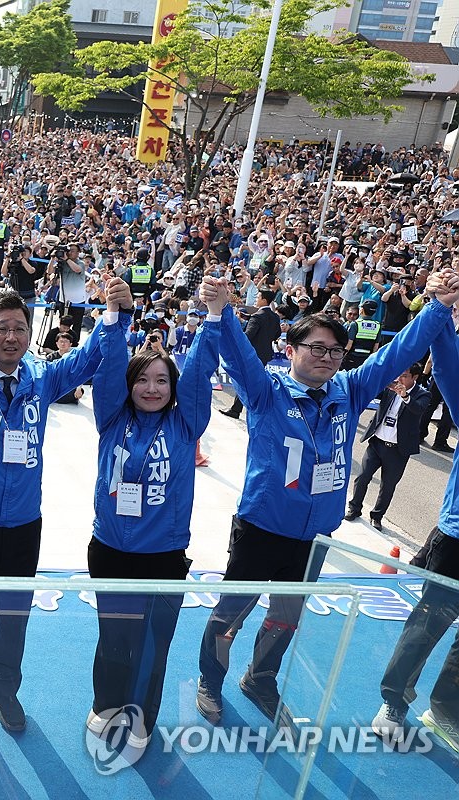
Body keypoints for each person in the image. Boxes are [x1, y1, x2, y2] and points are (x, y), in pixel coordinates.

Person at [195, 271, 459, 727]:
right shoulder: (267, 391)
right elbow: (238, 357)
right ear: (291, 350)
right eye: (315, 348)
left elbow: (398, 353)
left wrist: (436, 306)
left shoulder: (350, 389)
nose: (326, 357)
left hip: (314, 536)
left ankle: (260, 678)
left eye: (335, 350)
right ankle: (210, 680)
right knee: (231, 612)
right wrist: (219, 312)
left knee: (286, 617)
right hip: (261, 528)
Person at [0, 274, 133, 732]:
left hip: (22, 523)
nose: (11, 336)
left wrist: (114, 315)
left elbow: (87, 359)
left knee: (13, 615)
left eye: (20, 327)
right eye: (1, 327)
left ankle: (4, 688)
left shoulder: (41, 379)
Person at [85, 275, 224, 756]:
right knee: (113, 639)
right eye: (142, 379)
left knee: (152, 645)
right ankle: (106, 705)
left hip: (163, 556)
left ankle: (142, 714)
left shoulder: (186, 424)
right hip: (110, 550)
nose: (151, 387)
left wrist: (212, 318)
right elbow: (108, 369)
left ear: (174, 387)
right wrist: (113, 318)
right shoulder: (111, 416)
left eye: (162, 379)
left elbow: (202, 368)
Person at [370, 307, 459, 752]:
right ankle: (394, 704)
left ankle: (446, 711)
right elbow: (447, 364)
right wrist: (443, 308)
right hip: (458, 540)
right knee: (428, 624)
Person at [345, 365, 431, 530]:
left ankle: (377, 516)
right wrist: (381, 383)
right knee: (362, 477)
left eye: (405, 376)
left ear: (415, 377)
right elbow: (372, 392)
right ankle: (354, 508)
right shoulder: (391, 388)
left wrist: (405, 396)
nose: (400, 379)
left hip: (398, 450)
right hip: (377, 443)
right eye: (399, 375)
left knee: (388, 486)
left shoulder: (423, 395)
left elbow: (418, 409)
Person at [220, 289, 283, 419]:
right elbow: (277, 334)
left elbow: (248, 336)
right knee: (252, 381)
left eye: (258, 297)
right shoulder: (275, 317)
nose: (256, 299)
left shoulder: (257, 316)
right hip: (266, 354)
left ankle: (239, 409)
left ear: (264, 300)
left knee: (245, 381)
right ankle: (238, 409)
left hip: (252, 354)